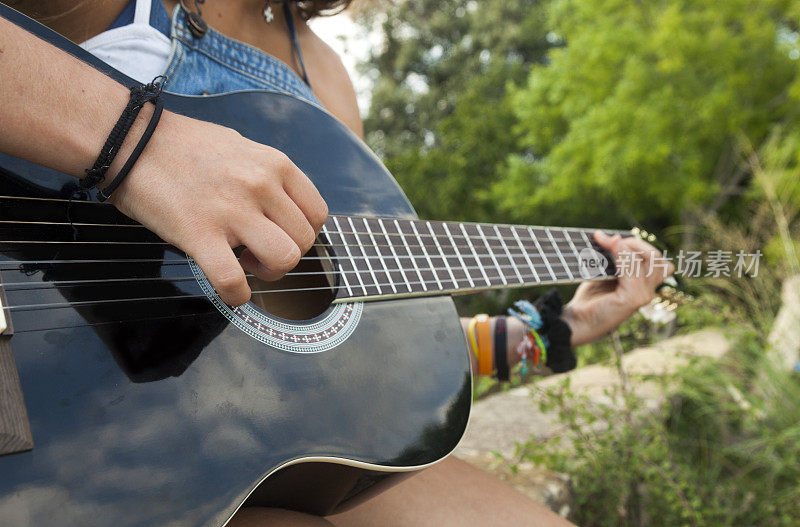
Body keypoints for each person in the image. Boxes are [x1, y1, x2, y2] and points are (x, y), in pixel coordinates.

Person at [0, 1, 673, 525]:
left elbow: (338, 366)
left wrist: (555, 329)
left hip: (207, 449)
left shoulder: (324, 79)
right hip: (65, 433)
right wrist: (140, 146)